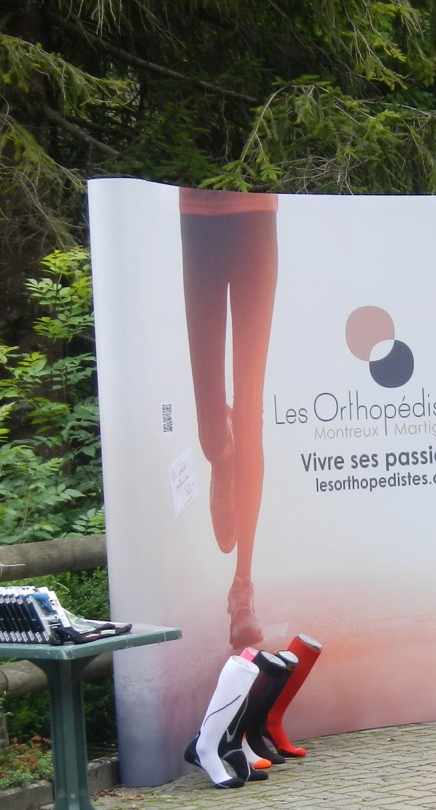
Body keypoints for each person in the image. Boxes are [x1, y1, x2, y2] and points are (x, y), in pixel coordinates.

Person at [180, 188, 278, 652]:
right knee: (210, 418)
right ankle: (222, 456)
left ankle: (243, 591)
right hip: (197, 216)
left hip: (256, 215)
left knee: (250, 406)